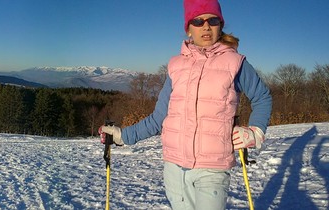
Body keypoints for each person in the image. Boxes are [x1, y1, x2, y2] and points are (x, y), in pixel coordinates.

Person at [98, 0, 272, 209]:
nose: (206, 26)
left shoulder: (235, 63)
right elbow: (159, 118)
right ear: (188, 29)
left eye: (213, 20)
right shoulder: (176, 66)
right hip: (174, 167)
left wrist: (255, 131)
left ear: (220, 25)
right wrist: (122, 136)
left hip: (213, 168)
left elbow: (262, 97)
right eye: (198, 21)